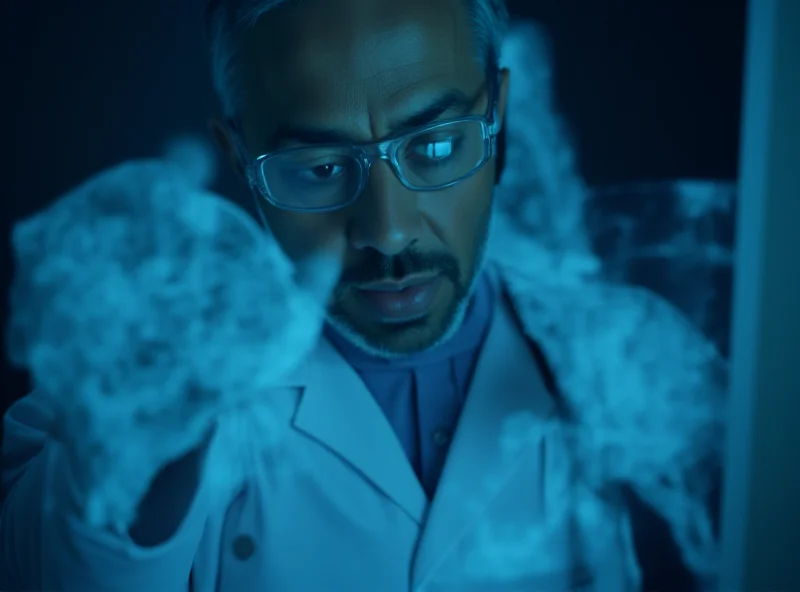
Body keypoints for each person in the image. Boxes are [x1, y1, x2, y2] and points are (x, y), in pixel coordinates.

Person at [1, 0, 726, 590]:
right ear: (240, 159)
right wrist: (141, 458)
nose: (386, 230)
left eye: (436, 145)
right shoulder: (130, 372)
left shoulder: (640, 358)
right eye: (317, 167)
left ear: (498, 119)